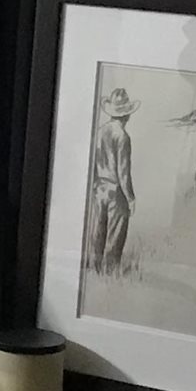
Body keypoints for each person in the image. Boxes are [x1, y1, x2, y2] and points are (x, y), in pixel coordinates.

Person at [81, 84, 135, 275]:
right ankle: (110, 274)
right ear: (127, 114)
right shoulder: (122, 136)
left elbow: (92, 162)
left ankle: (94, 271)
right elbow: (123, 172)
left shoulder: (100, 131)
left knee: (98, 231)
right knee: (115, 234)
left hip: (98, 188)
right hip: (115, 190)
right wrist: (130, 198)